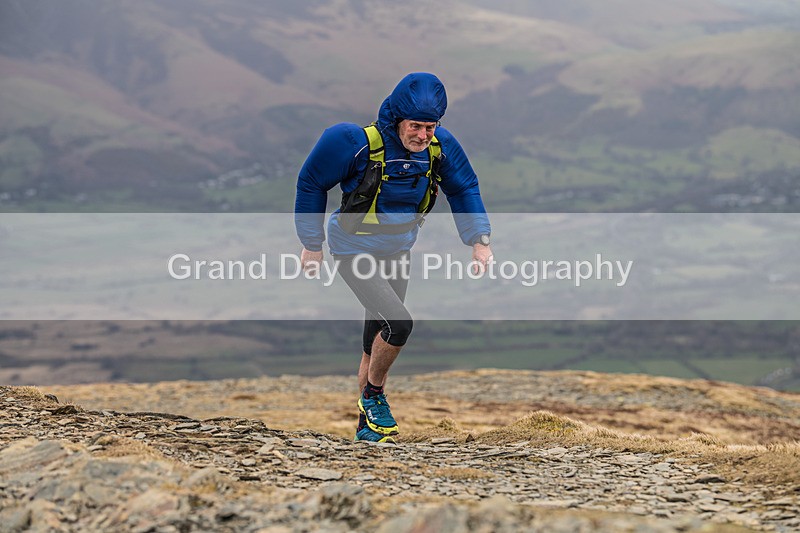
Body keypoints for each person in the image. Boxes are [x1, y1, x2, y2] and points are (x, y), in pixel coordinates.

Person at [294, 72, 492, 443]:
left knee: (375, 342)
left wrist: (478, 239)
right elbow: (311, 182)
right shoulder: (354, 142)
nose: (423, 135)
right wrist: (311, 242)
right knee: (399, 325)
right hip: (353, 249)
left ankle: (367, 430)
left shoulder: (440, 147)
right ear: (397, 120)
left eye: (430, 127)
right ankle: (374, 396)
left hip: (398, 249)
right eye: (415, 126)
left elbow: (464, 187)